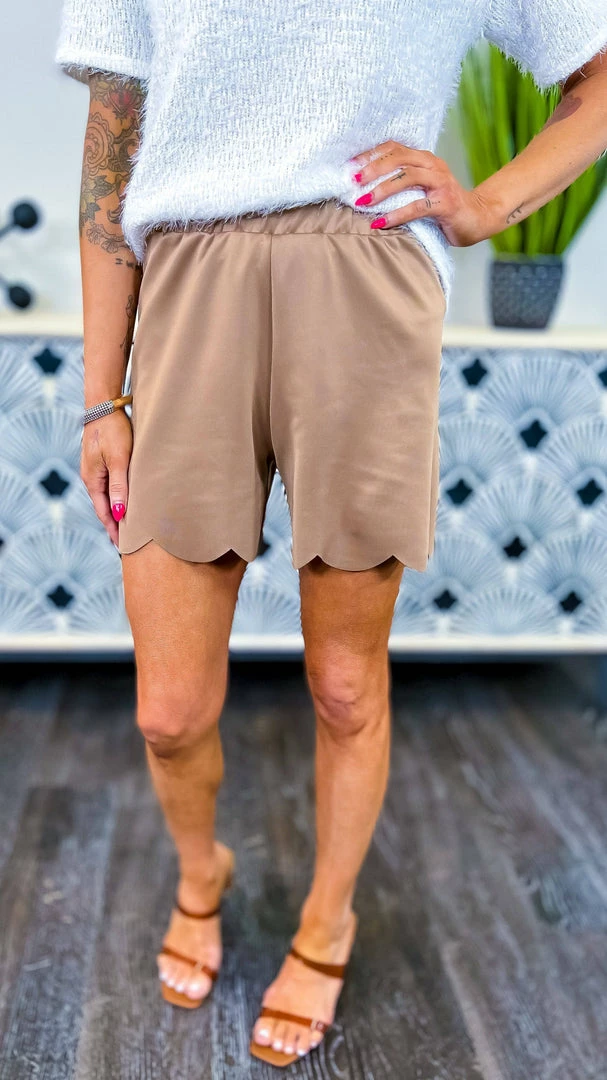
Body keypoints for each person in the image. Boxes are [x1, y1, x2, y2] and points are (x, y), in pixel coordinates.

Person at [55, 0, 607, 1067]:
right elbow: (112, 141)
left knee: (346, 684)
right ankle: (200, 872)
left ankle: (326, 924)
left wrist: (485, 205)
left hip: (364, 276)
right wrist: (100, 399)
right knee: (169, 709)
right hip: (188, 280)